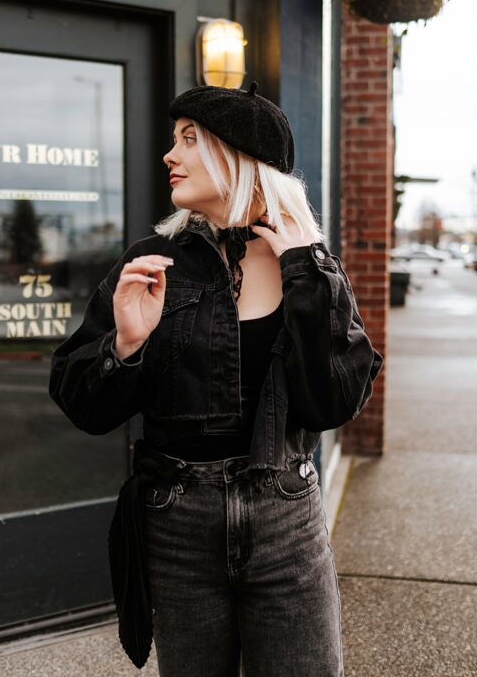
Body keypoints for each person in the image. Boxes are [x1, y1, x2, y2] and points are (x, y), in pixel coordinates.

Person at [48, 82, 383, 676]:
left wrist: (307, 277)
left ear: (238, 157)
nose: (169, 156)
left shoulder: (309, 262)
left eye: (190, 140)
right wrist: (125, 344)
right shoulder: (153, 260)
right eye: (175, 140)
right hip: (178, 523)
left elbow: (333, 402)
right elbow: (84, 404)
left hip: (286, 518)